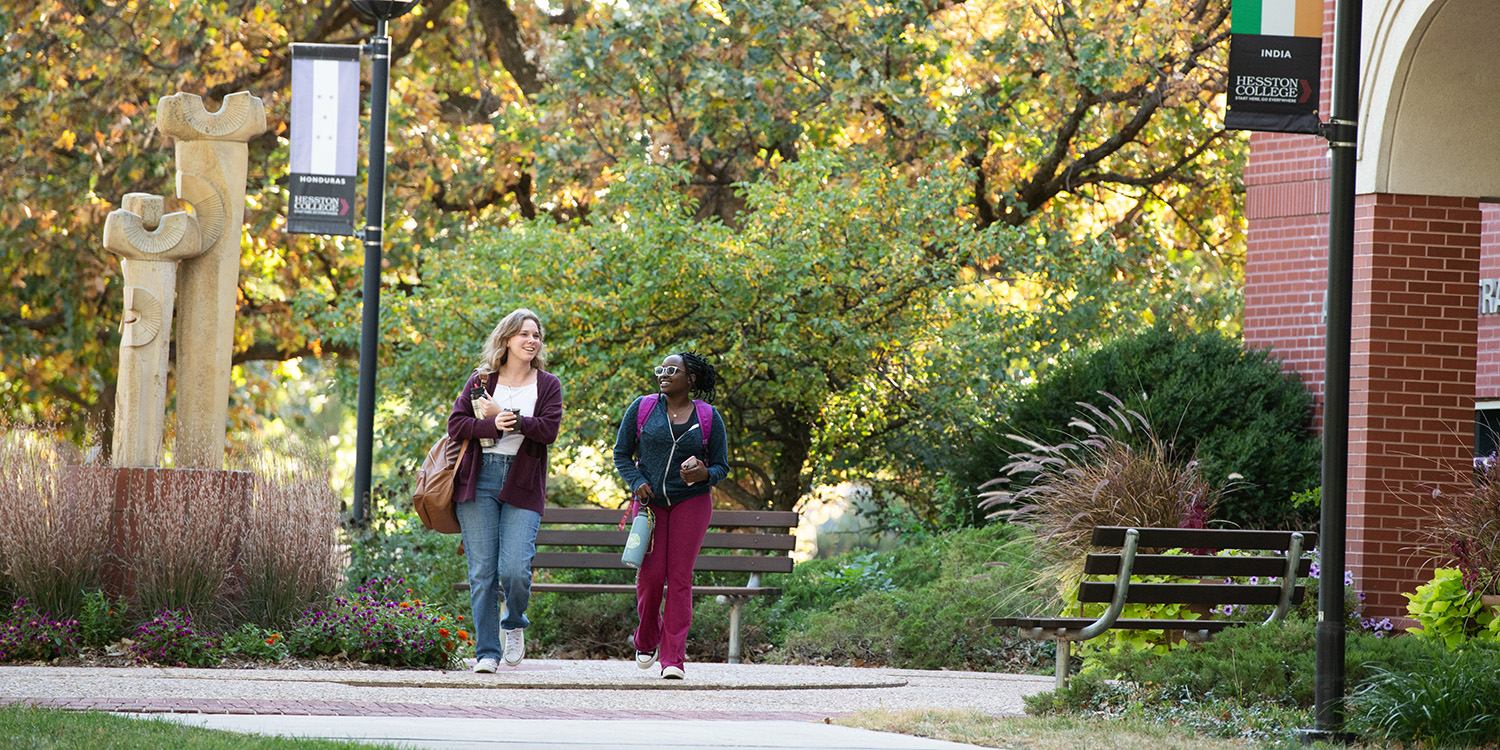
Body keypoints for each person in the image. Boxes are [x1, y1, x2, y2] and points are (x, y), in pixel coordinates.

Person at [447, 308, 563, 673]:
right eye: (524, 334)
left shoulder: (547, 384)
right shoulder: (481, 381)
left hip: (523, 481)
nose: (532, 341)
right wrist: (494, 425)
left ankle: (513, 622)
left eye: (536, 335)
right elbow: (456, 425)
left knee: (514, 570)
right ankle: (486, 652)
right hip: (478, 480)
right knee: (482, 571)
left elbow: (548, 431)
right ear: (507, 339)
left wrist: (508, 417)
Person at [612, 351, 730, 679]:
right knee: (650, 577)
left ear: (690, 379)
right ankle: (647, 638)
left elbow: (722, 465)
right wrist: (637, 481)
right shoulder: (643, 408)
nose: (663, 374)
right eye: (661, 369)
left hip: (690, 503)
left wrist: (704, 473)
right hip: (649, 505)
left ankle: (673, 659)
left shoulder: (708, 417)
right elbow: (621, 453)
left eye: (672, 370)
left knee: (679, 579)